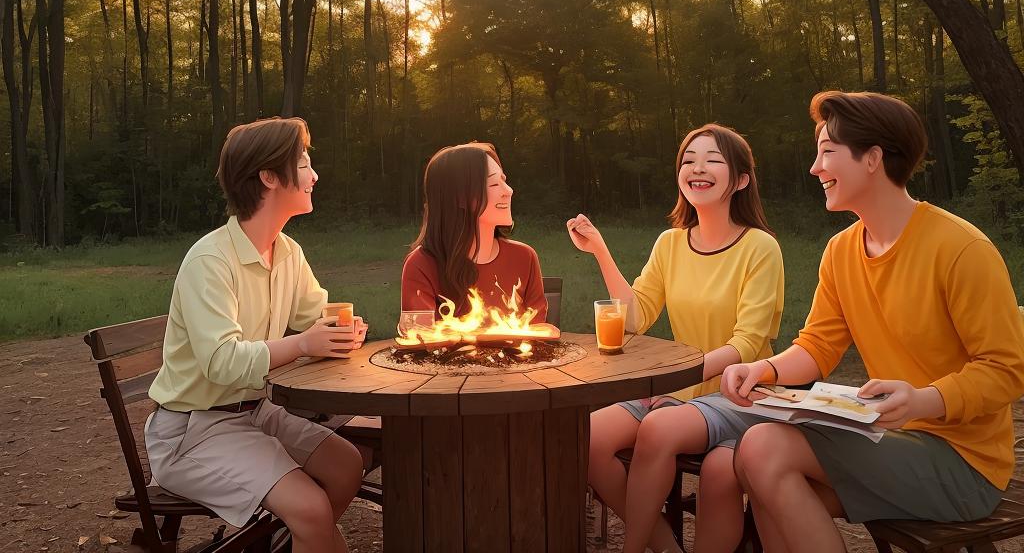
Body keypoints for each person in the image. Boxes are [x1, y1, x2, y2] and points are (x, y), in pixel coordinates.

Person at [717, 90, 1024, 553]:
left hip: (964, 465)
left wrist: (923, 400)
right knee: (763, 474)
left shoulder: (961, 250)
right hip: (887, 442)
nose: (815, 169)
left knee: (763, 450)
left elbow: (1007, 369)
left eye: (827, 153)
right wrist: (766, 370)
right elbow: (818, 345)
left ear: (873, 159)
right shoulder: (841, 252)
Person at [146, 117, 368, 553]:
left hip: (254, 413)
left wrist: (343, 329)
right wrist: (305, 343)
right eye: (303, 163)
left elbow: (313, 315)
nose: (314, 175)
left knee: (346, 465)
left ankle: (297, 541)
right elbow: (222, 362)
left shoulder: (287, 252)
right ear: (269, 176)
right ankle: (305, 533)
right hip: (193, 430)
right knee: (310, 510)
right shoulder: (210, 260)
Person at [567, 124, 784, 553]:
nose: (697, 168)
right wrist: (600, 251)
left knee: (661, 428)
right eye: (688, 160)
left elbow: (746, 343)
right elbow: (636, 318)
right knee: (586, 437)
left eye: (712, 160)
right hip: (680, 390)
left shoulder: (760, 247)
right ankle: (666, 547)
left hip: (741, 391)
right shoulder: (670, 243)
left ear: (740, 180)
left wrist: (671, 378)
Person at [402, 141, 547, 322]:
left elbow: (538, 335)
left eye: (504, 181)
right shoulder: (421, 265)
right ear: (460, 197)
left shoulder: (524, 257)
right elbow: (419, 339)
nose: (508, 191)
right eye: (494, 184)